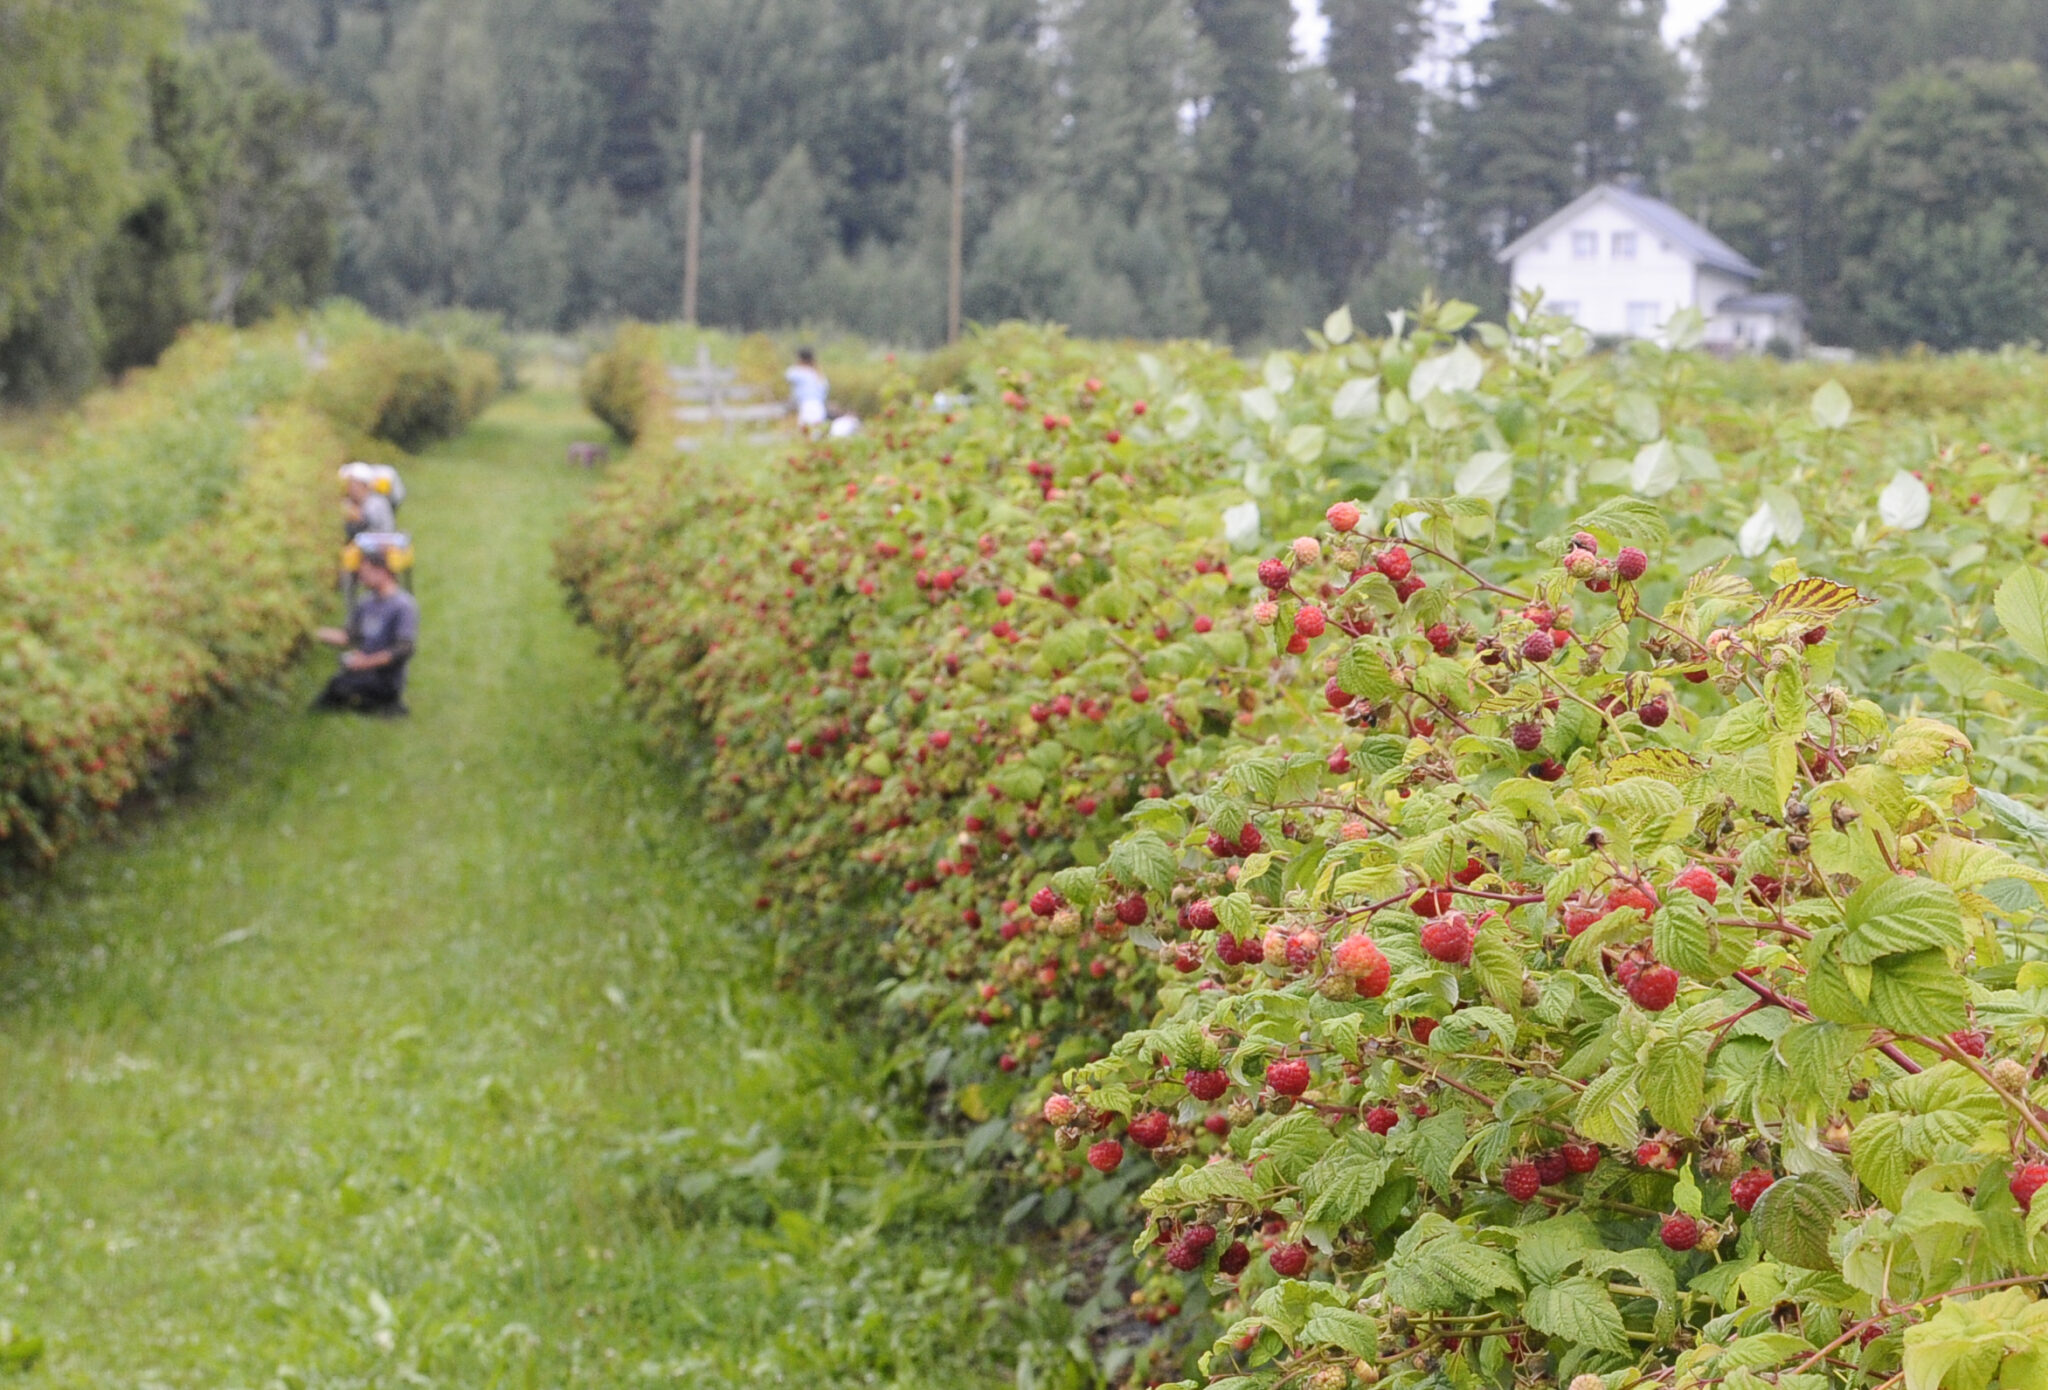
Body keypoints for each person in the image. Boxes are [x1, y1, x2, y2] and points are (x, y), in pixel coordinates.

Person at [312, 547, 418, 715]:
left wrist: (366, 662)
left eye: (365, 572)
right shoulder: (366, 603)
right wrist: (313, 632)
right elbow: (349, 637)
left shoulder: (402, 606)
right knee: (333, 689)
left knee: (339, 689)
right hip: (362, 673)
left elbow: (403, 649)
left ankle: (387, 707)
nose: (361, 578)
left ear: (383, 571)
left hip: (385, 679)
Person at [785, 347, 829, 431]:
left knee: (806, 432)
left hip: (807, 406)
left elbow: (788, 375)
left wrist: (798, 364)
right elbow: (825, 390)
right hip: (820, 406)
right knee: (817, 432)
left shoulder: (799, 372)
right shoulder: (818, 373)